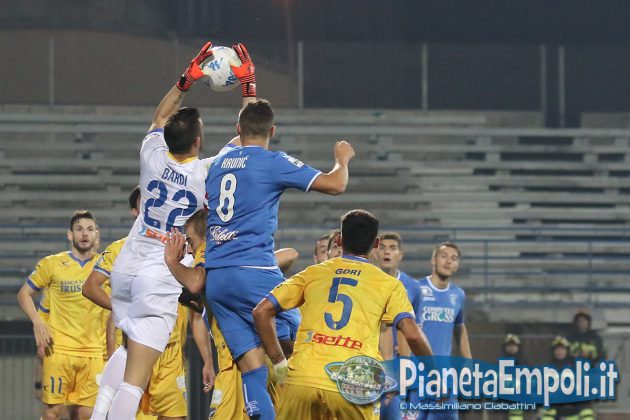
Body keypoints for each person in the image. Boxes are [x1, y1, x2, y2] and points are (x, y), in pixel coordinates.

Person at [95, 41, 253, 420]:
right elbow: (251, 139)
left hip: (127, 265)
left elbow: (161, 115)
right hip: (159, 272)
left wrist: (187, 79)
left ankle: (99, 414)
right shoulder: (205, 172)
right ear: (198, 141)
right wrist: (248, 87)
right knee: (136, 381)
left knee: (126, 350)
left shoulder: (151, 153)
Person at [204, 49, 356, 418]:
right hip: (254, 272)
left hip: (217, 280)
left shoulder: (218, 162)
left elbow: (249, 123)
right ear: (273, 132)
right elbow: (336, 185)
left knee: (252, 370)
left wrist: (248, 85)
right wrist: (342, 158)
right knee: (306, 337)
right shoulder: (273, 162)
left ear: (237, 131)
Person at [253, 209, 433, 420]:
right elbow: (413, 335)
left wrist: (279, 362)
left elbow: (261, 311)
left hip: (303, 379)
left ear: (339, 240)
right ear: (376, 244)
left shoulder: (313, 273)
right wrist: (433, 371)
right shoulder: (389, 285)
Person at [163, 209, 300, 419]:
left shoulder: (209, 251)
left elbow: (195, 281)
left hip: (237, 365)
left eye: (190, 241)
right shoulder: (232, 258)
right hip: (257, 357)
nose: (189, 249)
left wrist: (172, 262)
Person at [17, 211, 104, 420]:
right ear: (69, 234)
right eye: (79, 229)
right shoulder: (52, 264)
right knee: (52, 413)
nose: (84, 234)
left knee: (85, 414)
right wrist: (37, 322)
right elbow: (23, 294)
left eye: (90, 229)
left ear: (97, 235)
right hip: (59, 350)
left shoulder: (106, 265)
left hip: (94, 353)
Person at [416, 241, 470, 420]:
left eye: (453, 258)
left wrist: (468, 361)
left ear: (457, 265)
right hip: (416, 375)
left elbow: (460, 328)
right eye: (444, 256)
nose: (448, 261)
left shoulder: (458, 295)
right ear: (433, 260)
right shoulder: (416, 289)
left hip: (445, 378)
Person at [542, 336, 594, 420]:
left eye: (562, 349)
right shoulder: (549, 365)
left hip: (574, 398)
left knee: (586, 409)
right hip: (556, 400)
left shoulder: (575, 363)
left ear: (567, 350)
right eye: (557, 349)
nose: (559, 352)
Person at [501, 334, 528, 420]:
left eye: (513, 345)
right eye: (509, 345)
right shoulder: (499, 363)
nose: (511, 348)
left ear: (518, 347)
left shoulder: (523, 363)